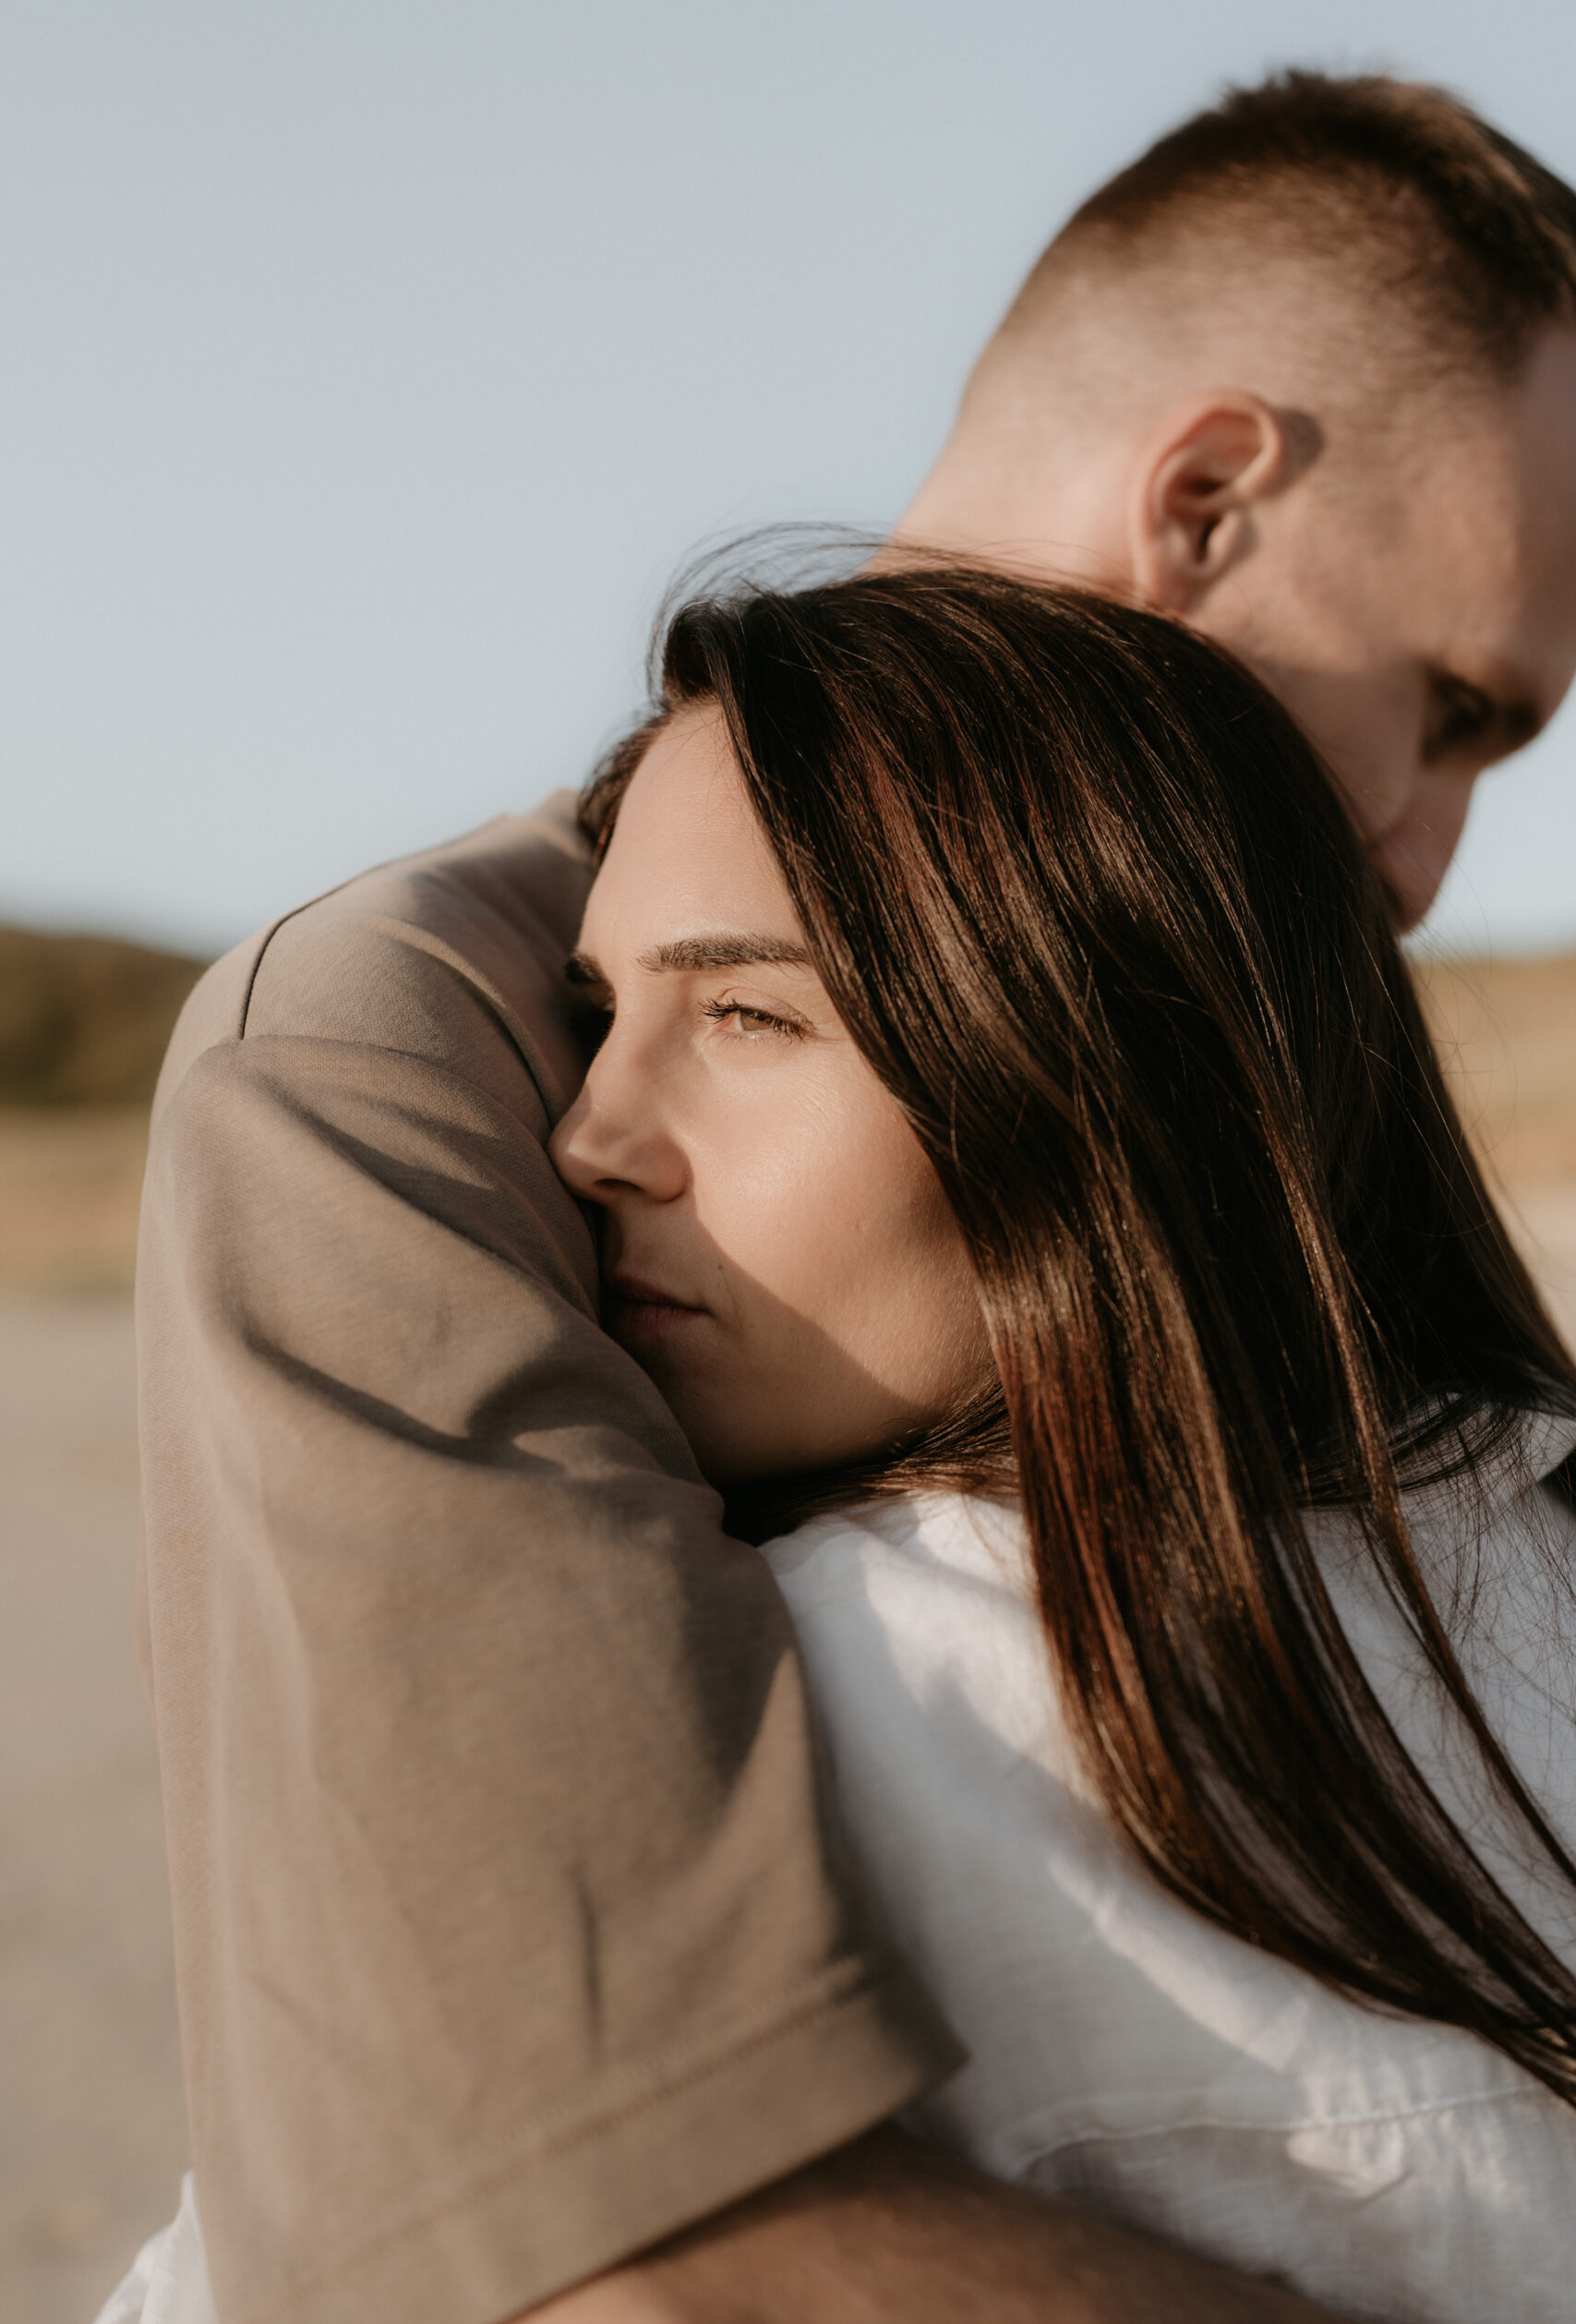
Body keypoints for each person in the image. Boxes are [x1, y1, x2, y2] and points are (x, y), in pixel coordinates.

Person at [118, 70, 1576, 2324]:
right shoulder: (382, 1038)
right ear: (1196, 501)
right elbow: (603, 2227)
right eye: (1457, 706)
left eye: (751, 1011)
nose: (1416, 850)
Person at [546, 563, 1576, 2322]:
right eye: (594, 1017)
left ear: (1100, 1065)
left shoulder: (811, 1704)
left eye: (745, 1015)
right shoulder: (1528, 1542)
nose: (589, 1134)